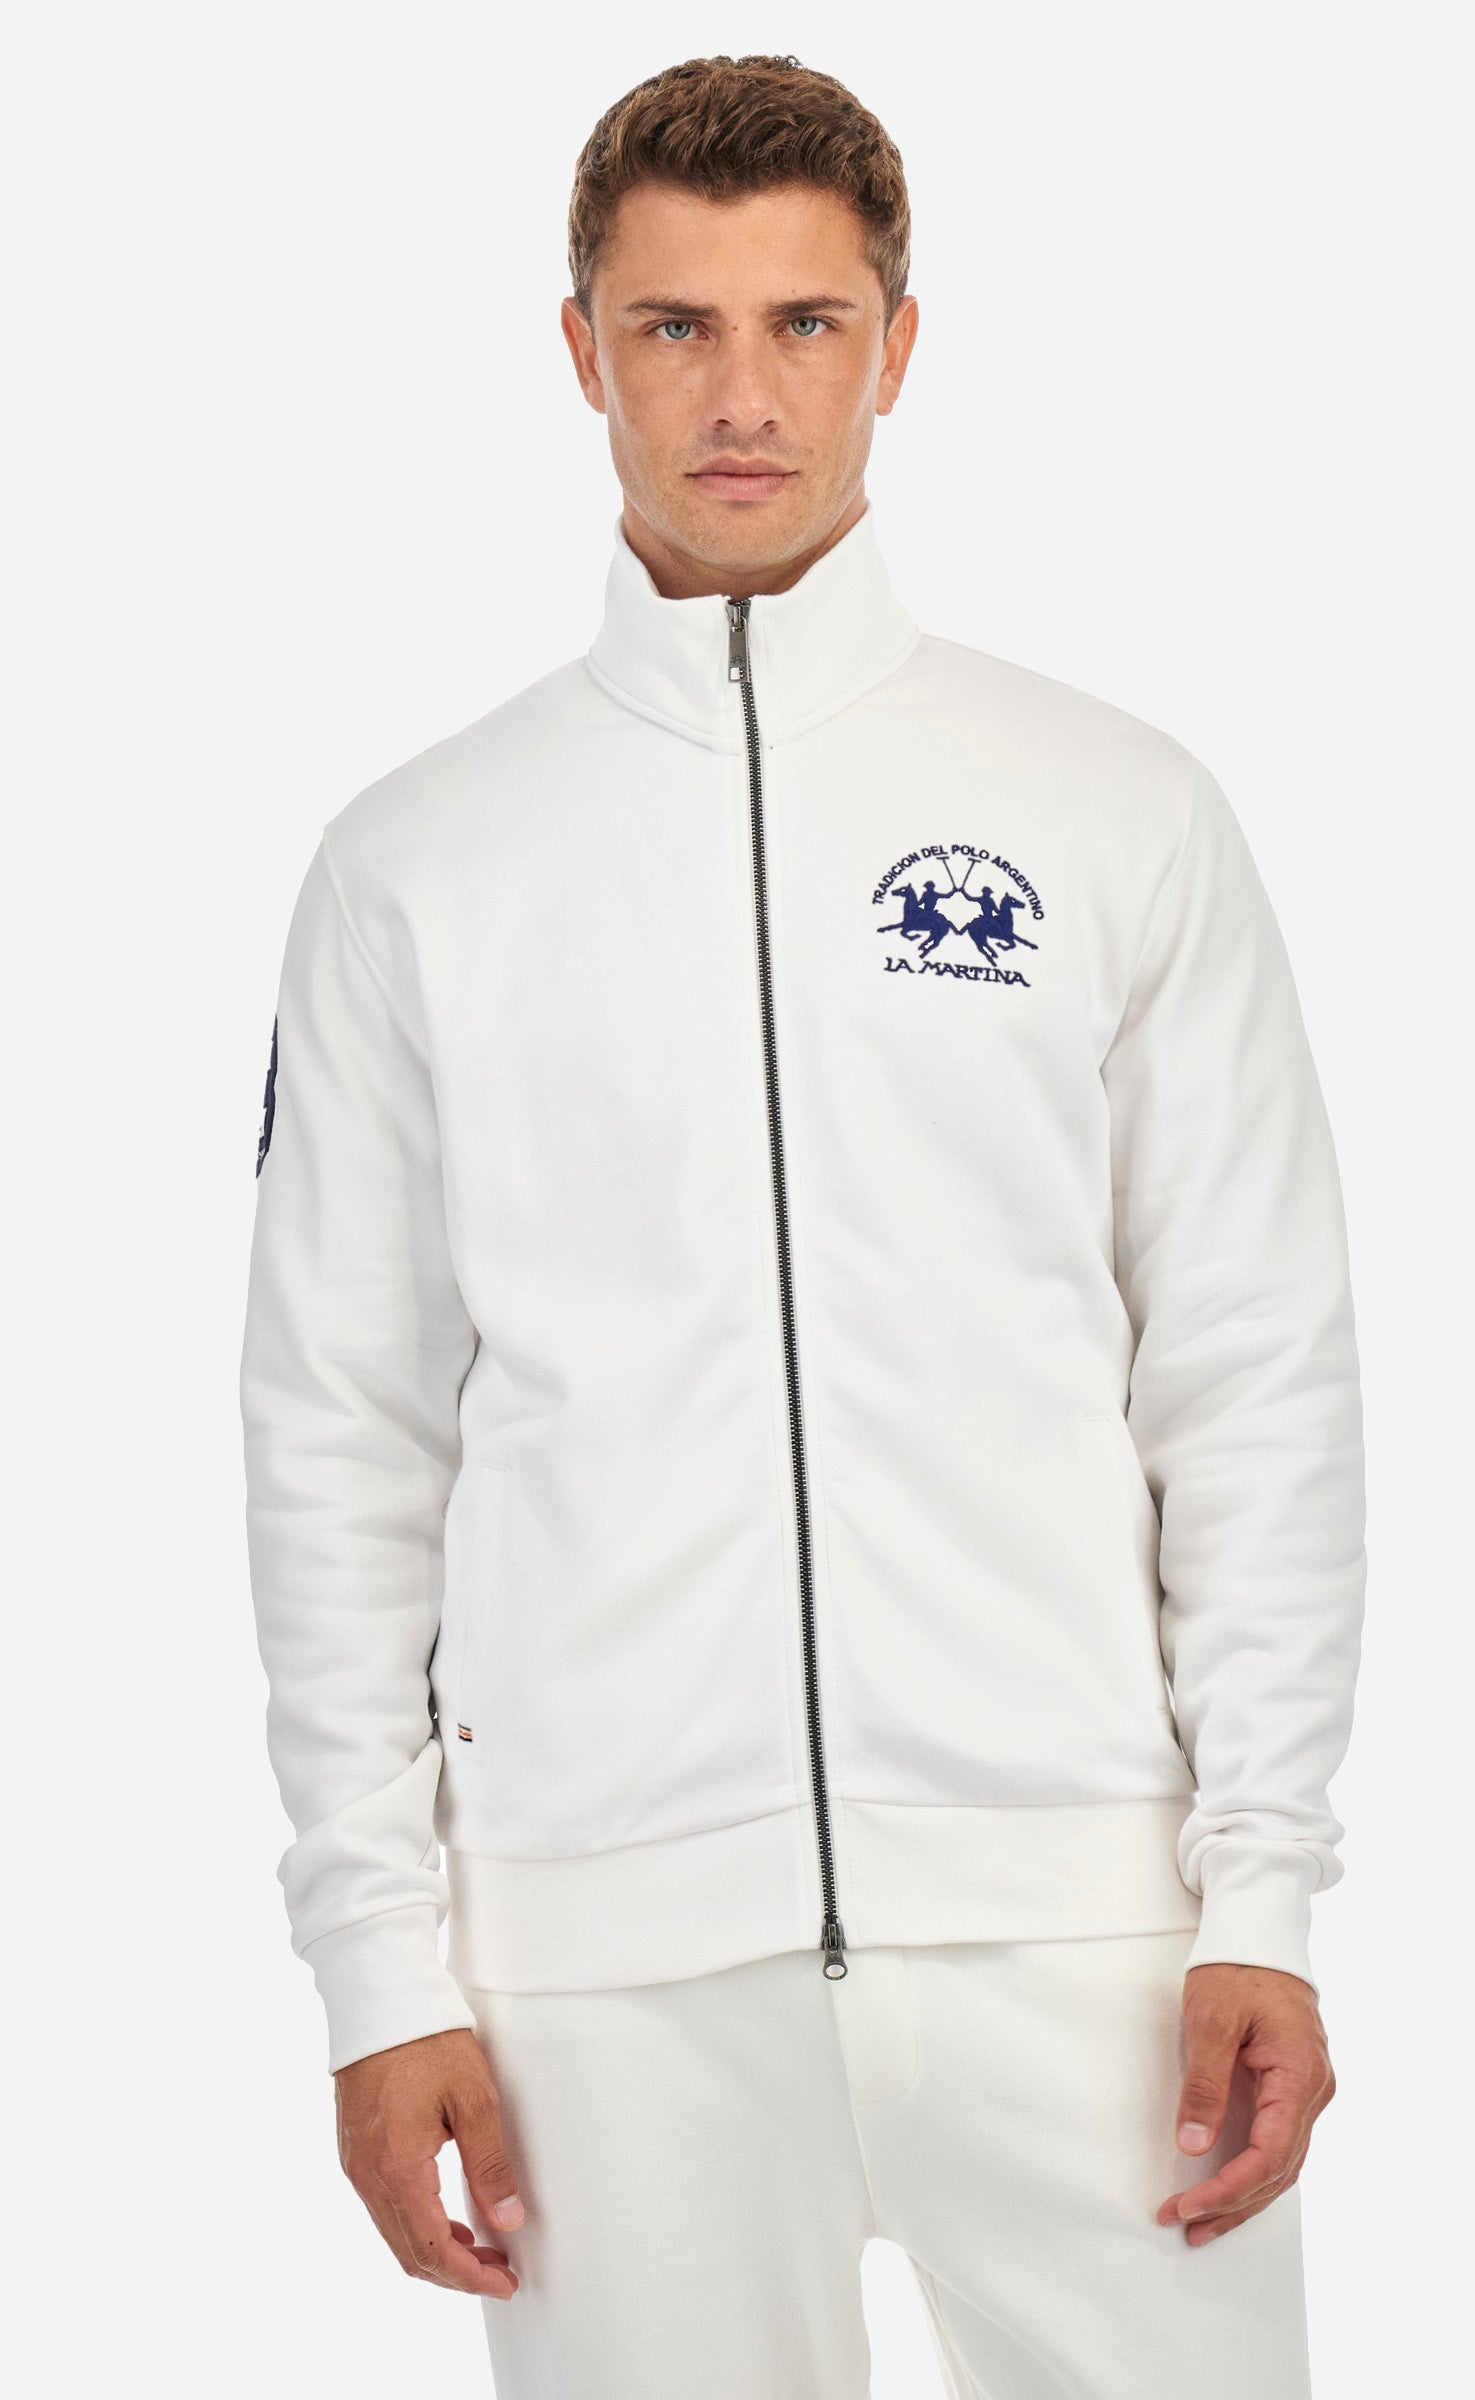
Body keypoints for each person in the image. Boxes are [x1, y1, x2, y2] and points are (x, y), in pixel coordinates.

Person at [240, 51, 1365, 2399]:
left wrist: (1255, 1886)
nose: (740, 397)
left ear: (896, 345)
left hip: (1087, 1944)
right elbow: (342, 1434)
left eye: (803, 325)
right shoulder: (416, 864)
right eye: (673, 326)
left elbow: (1248, 1369)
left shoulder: (1112, 808)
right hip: (601, 1982)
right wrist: (378, 1973)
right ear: (580, 349)